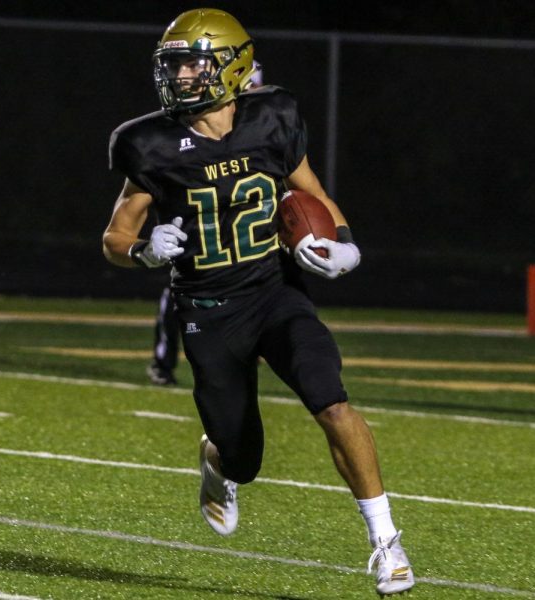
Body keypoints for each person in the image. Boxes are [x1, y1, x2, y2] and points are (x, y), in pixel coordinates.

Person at [101, 9, 414, 595]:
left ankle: (387, 543)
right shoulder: (148, 143)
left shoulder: (273, 116)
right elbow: (113, 238)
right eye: (174, 66)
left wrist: (345, 247)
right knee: (244, 458)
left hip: (275, 294)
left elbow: (312, 195)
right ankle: (219, 463)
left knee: (332, 402)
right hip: (208, 310)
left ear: (232, 65)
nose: (181, 76)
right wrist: (144, 250)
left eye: (194, 64)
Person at [146, 61, 265, 388]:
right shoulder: (188, 128)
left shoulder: (264, 128)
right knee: (182, 285)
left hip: (245, 231)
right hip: (203, 222)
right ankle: (164, 360)